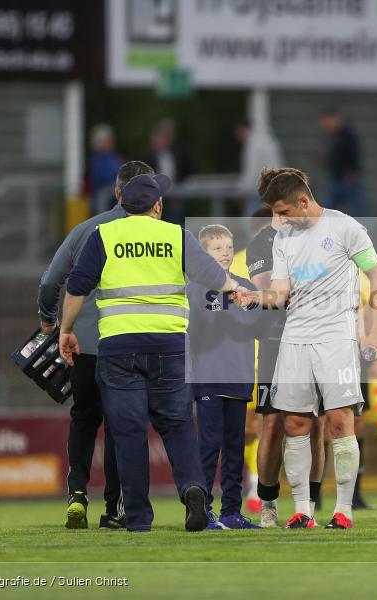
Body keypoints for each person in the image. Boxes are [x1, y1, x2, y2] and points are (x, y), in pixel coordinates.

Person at [59, 173, 243, 532]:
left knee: (128, 432)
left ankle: (139, 517)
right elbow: (212, 275)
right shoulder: (177, 235)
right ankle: (193, 489)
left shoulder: (104, 236)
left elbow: (77, 288)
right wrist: (233, 287)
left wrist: (66, 330)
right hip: (169, 345)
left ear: (123, 203)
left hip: (119, 347)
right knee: (177, 424)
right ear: (157, 205)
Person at [236, 168, 377, 530]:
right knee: (295, 422)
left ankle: (344, 510)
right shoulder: (284, 239)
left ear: (303, 201)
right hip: (295, 338)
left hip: (336, 337)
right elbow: (280, 293)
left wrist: (375, 334)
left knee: (339, 420)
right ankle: (303, 510)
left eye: (284, 212)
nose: (280, 220)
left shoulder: (345, 227)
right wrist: (254, 297)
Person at [38, 161, 155, 529]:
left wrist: (49, 322)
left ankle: (76, 494)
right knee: (122, 425)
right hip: (129, 342)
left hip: (83, 345)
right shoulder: (159, 235)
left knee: (84, 417)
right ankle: (115, 508)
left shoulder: (86, 229)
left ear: (117, 193)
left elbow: (50, 282)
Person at [245, 174, 327, 527]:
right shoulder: (263, 242)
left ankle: (308, 504)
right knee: (273, 423)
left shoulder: (320, 236)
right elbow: (269, 293)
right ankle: (267, 502)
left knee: (317, 425)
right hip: (276, 341)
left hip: (318, 338)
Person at [189, 224, 262, 530]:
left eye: (229, 247)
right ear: (204, 254)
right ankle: (203, 512)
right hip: (208, 377)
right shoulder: (195, 287)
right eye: (217, 248)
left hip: (239, 376)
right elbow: (196, 327)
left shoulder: (246, 287)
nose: (225, 253)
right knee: (209, 445)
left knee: (235, 446)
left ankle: (232, 511)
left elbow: (260, 324)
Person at [319, 107, 365, 217]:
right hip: (337, 178)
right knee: (329, 210)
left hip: (348, 179)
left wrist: (351, 173)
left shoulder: (348, 135)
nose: (326, 126)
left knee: (357, 211)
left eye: (327, 121)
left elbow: (353, 155)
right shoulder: (334, 137)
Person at [236, 120, 285, 217]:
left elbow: (252, 171)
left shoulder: (254, 145)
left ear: (243, 130)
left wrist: (243, 191)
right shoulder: (267, 140)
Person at [88, 124, 123, 214]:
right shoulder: (97, 160)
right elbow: (102, 178)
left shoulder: (114, 157)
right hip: (105, 195)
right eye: (108, 141)